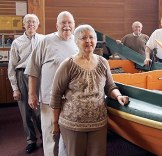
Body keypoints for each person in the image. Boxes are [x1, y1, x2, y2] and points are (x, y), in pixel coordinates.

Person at [50, 24, 129, 156]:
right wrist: (54, 123)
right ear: (76, 42)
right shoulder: (68, 64)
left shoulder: (103, 62)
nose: (88, 41)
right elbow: (55, 95)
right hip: (73, 124)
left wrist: (118, 96)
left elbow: (110, 86)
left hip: (98, 123)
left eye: (91, 37)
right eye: (83, 38)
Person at [24, 11, 77, 156]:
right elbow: (33, 69)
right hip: (49, 100)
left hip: (72, 101)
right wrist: (31, 94)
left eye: (69, 22)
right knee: (51, 136)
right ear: (57, 25)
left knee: (69, 138)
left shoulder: (78, 42)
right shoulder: (46, 41)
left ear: (74, 24)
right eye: (63, 23)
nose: (66, 26)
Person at [7, 14, 44, 154]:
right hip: (22, 76)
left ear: (37, 24)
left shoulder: (44, 39)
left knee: (40, 111)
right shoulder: (17, 42)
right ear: (24, 24)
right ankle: (31, 141)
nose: (31, 24)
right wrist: (15, 89)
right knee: (26, 112)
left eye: (34, 22)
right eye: (28, 22)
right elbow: (11, 67)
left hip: (39, 76)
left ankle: (44, 138)